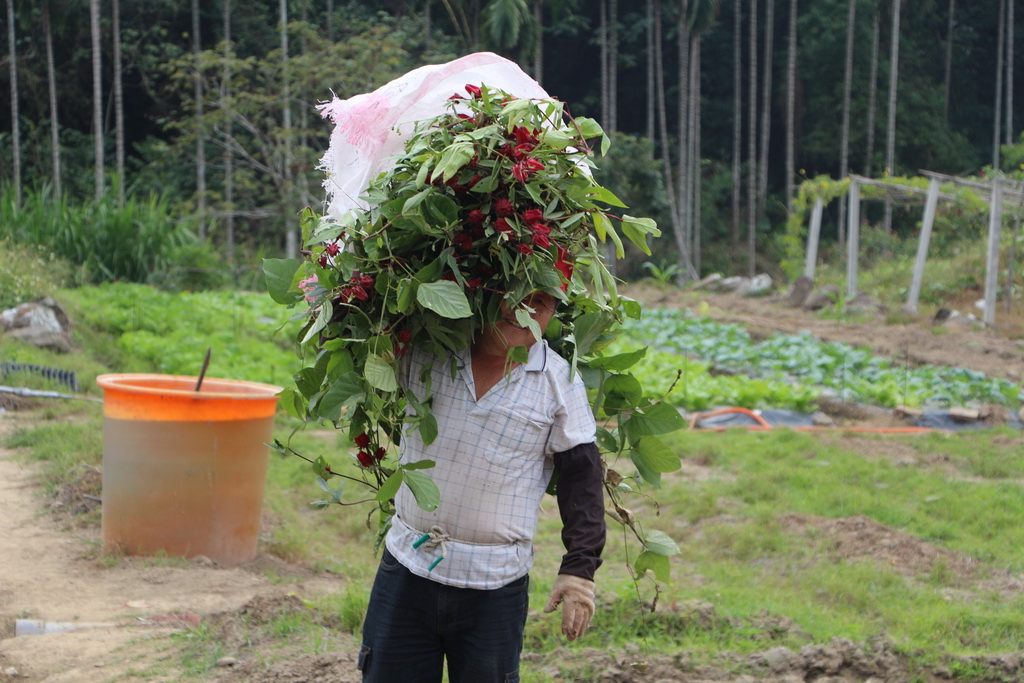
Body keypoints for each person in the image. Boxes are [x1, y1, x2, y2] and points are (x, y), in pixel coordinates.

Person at [358, 291, 606, 683]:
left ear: (556, 313)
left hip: (494, 585)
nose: (525, 311)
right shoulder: (426, 351)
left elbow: (582, 478)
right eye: (516, 295)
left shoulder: (560, 381)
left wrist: (579, 570)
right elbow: (359, 348)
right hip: (407, 570)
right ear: (488, 291)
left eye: (542, 302)